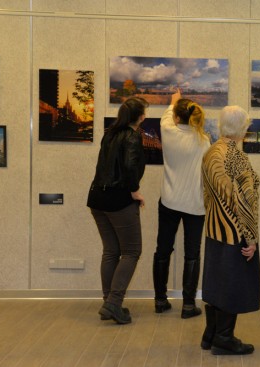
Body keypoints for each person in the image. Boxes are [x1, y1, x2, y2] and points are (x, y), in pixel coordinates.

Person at [200, 106, 260, 355]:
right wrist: (251, 238)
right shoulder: (236, 156)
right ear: (243, 128)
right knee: (232, 285)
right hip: (234, 231)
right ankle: (224, 337)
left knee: (216, 282)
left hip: (214, 228)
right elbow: (245, 201)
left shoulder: (212, 151)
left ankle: (211, 333)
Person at [87, 97, 148, 324]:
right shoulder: (132, 136)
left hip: (96, 198)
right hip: (118, 199)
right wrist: (134, 191)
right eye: (145, 113)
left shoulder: (110, 133)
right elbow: (131, 167)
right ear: (140, 117)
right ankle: (113, 303)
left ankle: (108, 302)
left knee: (111, 251)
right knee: (131, 251)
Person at [153, 89, 210, 318]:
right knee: (192, 253)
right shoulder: (203, 141)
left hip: (169, 200)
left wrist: (174, 100)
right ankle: (188, 305)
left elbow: (168, 114)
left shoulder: (168, 131)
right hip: (195, 204)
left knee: (163, 250)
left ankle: (160, 300)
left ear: (177, 117)